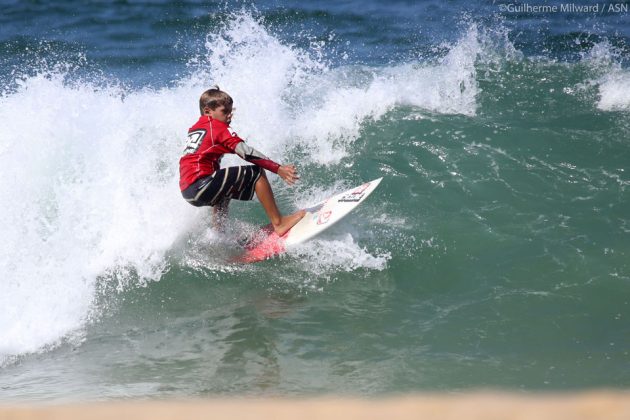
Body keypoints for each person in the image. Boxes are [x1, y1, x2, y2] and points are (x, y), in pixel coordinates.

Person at [179, 86, 305, 236]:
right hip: (201, 185)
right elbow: (246, 152)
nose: (229, 116)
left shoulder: (196, 128)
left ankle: (220, 235)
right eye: (224, 112)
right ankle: (279, 223)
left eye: (231, 112)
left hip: (188, 191)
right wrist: (278, 169)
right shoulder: (217, 127)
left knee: (223, 191)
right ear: (208, 111)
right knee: (256, 172)